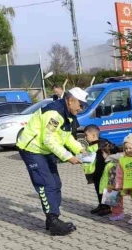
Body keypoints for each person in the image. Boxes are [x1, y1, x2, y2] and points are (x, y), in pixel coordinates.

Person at [16, 87, 87, 236]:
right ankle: (53, 221)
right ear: (71, 100)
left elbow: (66, 137)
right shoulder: (54, 114)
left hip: (44, 149)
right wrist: (68, 156)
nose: (81, 109)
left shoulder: (68, 114)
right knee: (46, 183)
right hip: (32, 149)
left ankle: (52, 219)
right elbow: (48, 139)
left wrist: (80, 149)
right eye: (80, 105)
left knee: (56, 183)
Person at [83, 125, 118, 216]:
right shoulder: (91, 144)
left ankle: (108, 207)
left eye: (86, 135)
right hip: (96, 173)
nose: (85, 137)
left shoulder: (103, 143)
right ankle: (101, 205)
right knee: (98, 189)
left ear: (94, 135)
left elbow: (113, 151)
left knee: (107, 189)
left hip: (104, 172)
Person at [110, 133, 132, 222]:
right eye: (126, 148)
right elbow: (119, 173)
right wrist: (119, 184)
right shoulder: (123, 159)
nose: (128, 150)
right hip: (129, 185)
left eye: (130, 148)